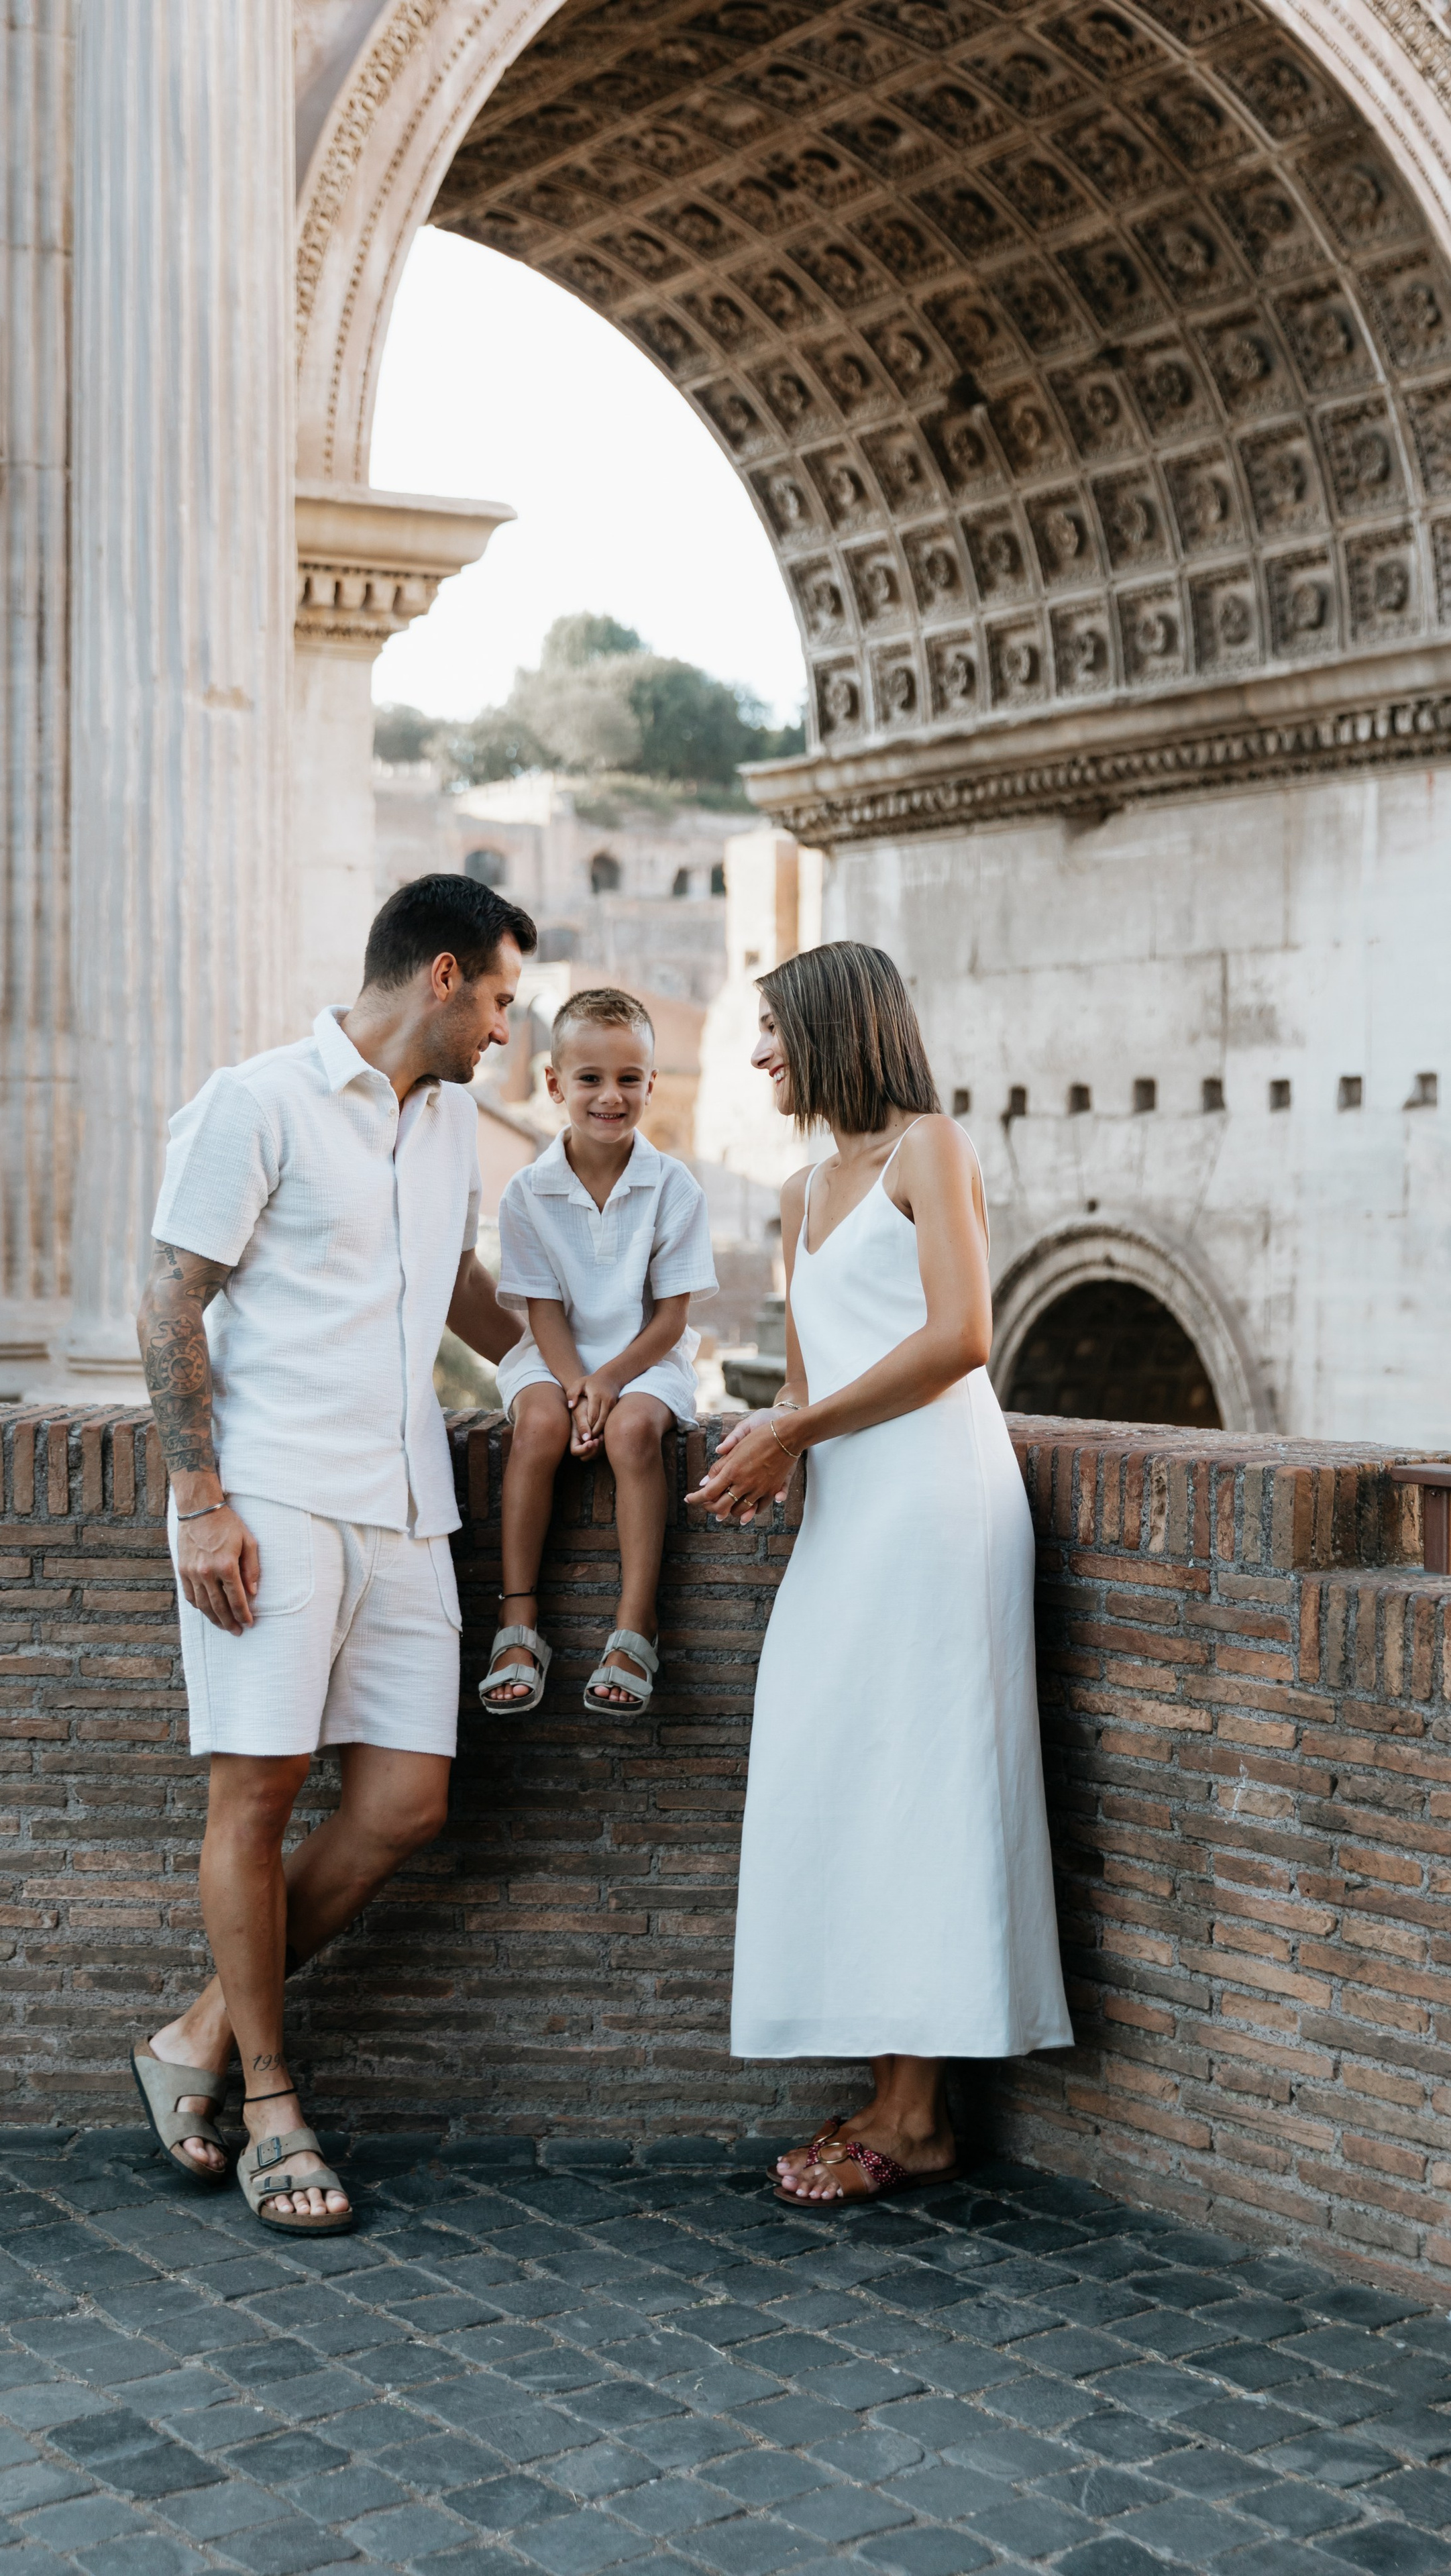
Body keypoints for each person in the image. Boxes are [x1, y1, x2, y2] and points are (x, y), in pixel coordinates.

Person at [133, 875, 533, 2235]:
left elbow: (444, 1283)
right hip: (274, 1495)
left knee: (406, 1806)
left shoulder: (450, 1121)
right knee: (255, 1794)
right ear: (437, 975)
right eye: (496, 998)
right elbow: (168, 1298)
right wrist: (199, 1499)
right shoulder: (255, 1102)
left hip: (411, 1498)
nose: (502, 1031)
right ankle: (268, 2102)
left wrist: (550, 1369)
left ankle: (194, 2032)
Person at [688, 941, 1071, 2206]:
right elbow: (808, 1374)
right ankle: (889, 2087)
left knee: (925, 1783)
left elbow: (964, 1336)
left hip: (939, 1508)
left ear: (837, 1026)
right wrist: (772, 1448)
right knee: (840, 1775)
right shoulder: (805, 1190)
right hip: (849, 1511)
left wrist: (798, 1429)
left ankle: (915, 2116)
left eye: (774, 1032)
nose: (759, 1057)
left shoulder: (930, 1149)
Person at [480, 987, 716, 1717]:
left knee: (633, 1431)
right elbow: (543, 1312)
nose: (609, 1096)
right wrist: (578, 1381)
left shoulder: (674, 1187)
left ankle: (633, 1625)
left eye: (628, 1079)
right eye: (589, 1079)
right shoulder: (527, 1192)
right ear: (554, 1085)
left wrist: (610, 1381)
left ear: (651, 1085)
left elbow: (672, 1319)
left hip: (646, 1357)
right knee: (542, 1428)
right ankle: (518, 1625)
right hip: (553, 1356)